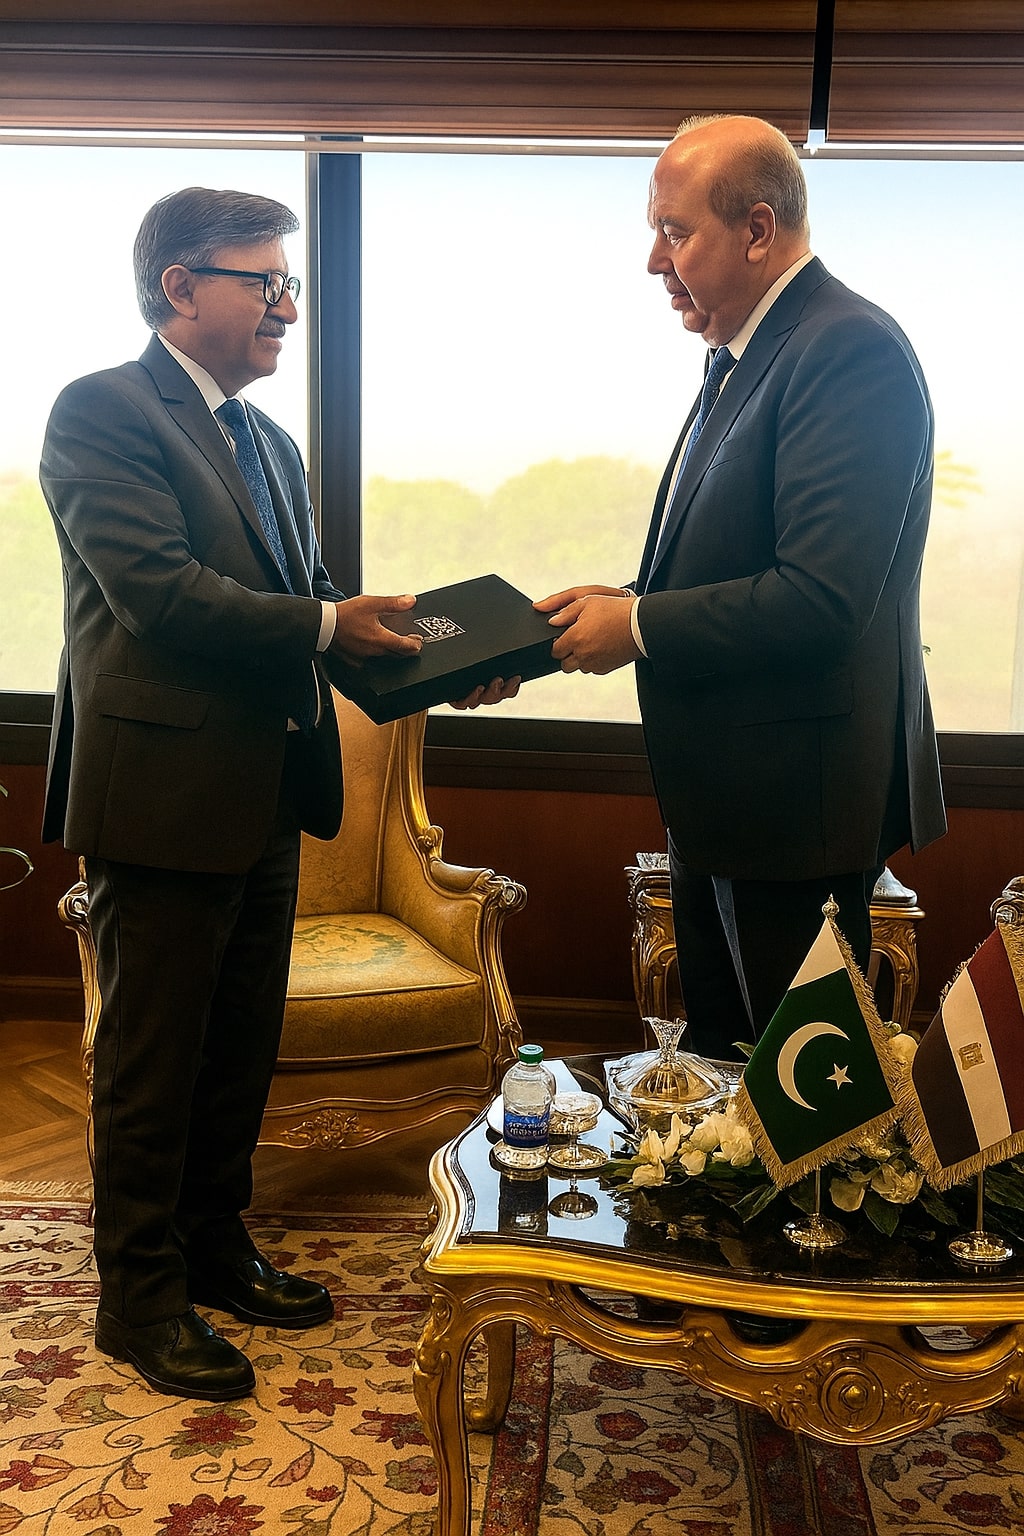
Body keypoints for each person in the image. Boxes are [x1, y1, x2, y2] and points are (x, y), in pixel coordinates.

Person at [39, 186, 427, 1401]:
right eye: (266, 282)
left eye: (288, 284)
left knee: (237, 1050)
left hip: (267, 790)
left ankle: (214, 1245)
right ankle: (138, 1298)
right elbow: (162, 595)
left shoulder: (271, 445)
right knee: (153, 1059)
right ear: (180, 287)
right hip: (159, 798)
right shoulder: (101, 411)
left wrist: (439, 663)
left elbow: (313, 613)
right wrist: (331, 621)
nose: (288, 308)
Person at [534, 114, 946, 1061]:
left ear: (758, 229)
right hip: (726, 806)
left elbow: (820, 597)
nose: (654, 261)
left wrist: (638, 625)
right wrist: (623, 599)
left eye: (674, 232)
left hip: (795, 814)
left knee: (802, 1108)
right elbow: (734, 561)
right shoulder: (744, 354)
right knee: (725, 1084)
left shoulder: (848, 349)